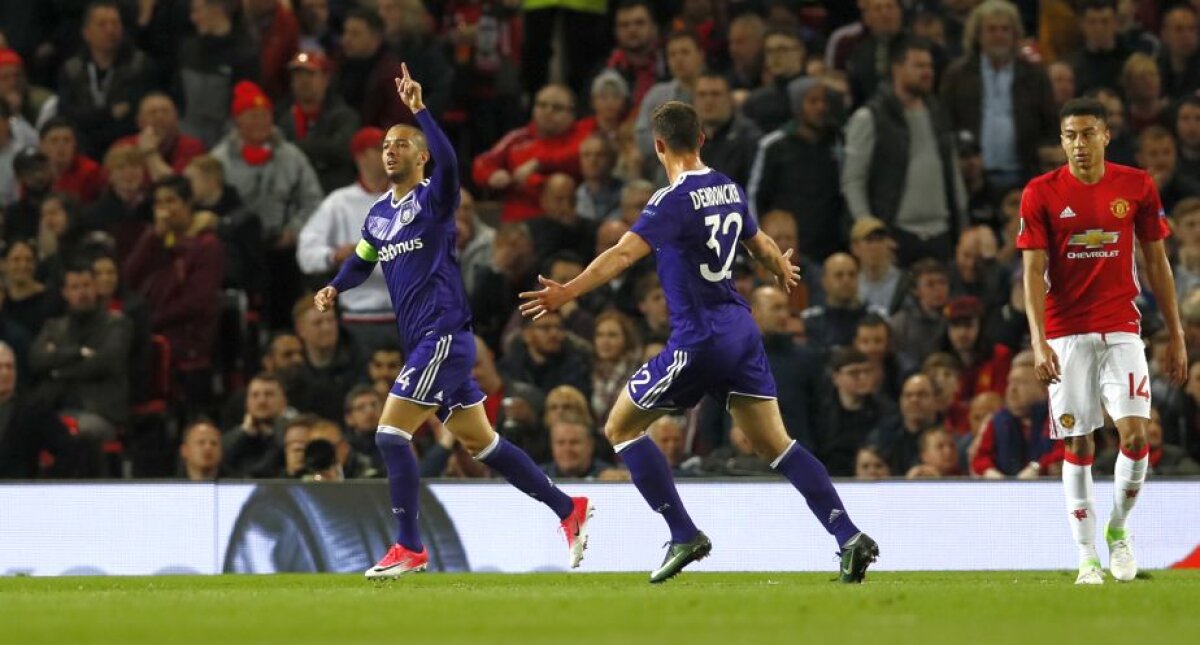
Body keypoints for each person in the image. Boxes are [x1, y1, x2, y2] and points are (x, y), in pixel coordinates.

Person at [520, 100, 879, 584]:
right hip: (741, 330)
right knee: (777, 444)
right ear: (703, 139)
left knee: (620, 428)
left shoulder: (670, 201)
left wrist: (568, 291)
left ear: (659, 145)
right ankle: (849, 536)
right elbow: (762, 243)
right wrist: (782, 269)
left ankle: (683, 532)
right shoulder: (728, 187)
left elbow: (623, 254)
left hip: (700, 338)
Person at [314, 64, 592, 579]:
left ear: (421, 157)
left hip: (443, 338)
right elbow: (361, 259)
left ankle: (410, 546)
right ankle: (566, 508)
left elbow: (450, 164)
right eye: (385, 146)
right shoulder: (378, 213)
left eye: (401, 144)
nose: (390, 151)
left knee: (390, 435)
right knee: (482, 444)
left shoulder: (434, 200)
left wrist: (419, 108)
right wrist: (336, 286)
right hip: (424, 342)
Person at [1018, 97, 1188, 585]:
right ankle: (1087, 555)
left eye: (1088, 133)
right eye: (1070, 136)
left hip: (1121, 327)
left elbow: (1156, 262)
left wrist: (1175, 333)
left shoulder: (1135, 186)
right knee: (1078, 440)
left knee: (1135, 437)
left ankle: (1117, 531)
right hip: (1066, 332)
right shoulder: (1041, 193)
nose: (1079, 144)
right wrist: (1039, 340)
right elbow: (1032, 271)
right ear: (1062, 141)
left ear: (1106, 136)